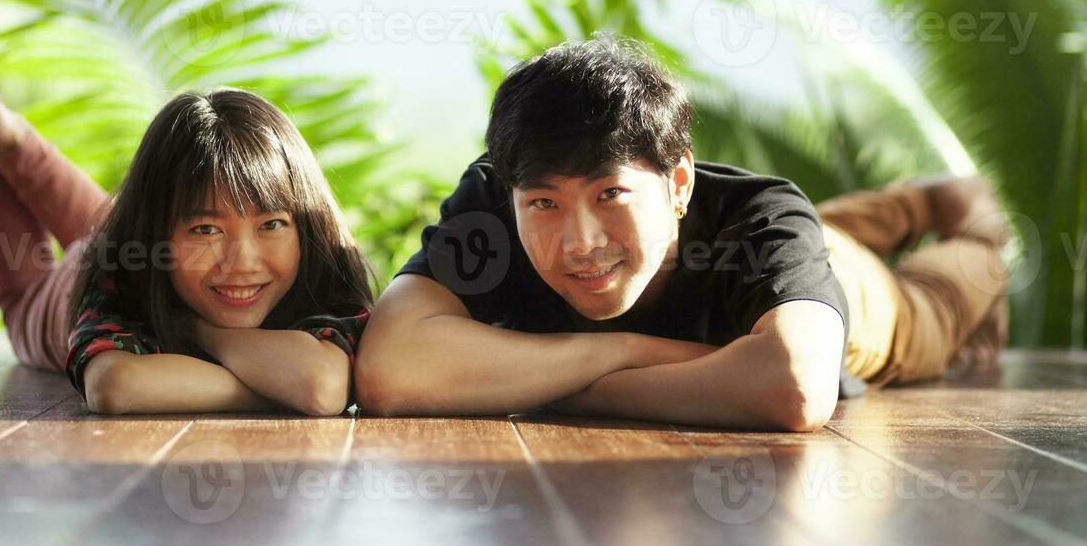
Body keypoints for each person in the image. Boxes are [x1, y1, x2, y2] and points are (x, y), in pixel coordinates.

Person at [357, 37, 1009, 431]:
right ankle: (906, 203)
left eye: (610, 195)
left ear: (677, 182)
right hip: (765, 261)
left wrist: (559, 385)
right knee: (808, 232)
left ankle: (955, 205)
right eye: (545, 205)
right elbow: (390, 371)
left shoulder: (760, 218)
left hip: (864, 296)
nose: (579, 240)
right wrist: (611, 352)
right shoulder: (500, 198)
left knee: (957, 277)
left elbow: (794, 385)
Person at [0, 4, 371, 416]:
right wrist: (254, 371)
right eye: (206, 229)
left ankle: (3, 130)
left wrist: (200, 332)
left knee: (106, 220)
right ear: (157, 235)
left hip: (128, 239)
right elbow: (117, 386)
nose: (242, 260)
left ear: (306, 224)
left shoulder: (321, 265)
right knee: (21, 297)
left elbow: (321, 388)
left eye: (271, 224)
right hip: (92, 277)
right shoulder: (117, 282)